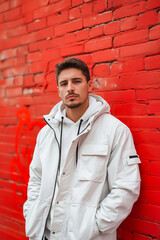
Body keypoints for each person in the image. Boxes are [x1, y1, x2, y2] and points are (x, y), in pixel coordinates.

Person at [23, 58, 141, 240]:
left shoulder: (114, 130)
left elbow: (126, 187)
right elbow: (36, 179)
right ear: (59, 90)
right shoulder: (46, 133)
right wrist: (31, 212)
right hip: (44, 235)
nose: (70, 88)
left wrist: (94, 227)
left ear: (89, 84)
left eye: (76, 81)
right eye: (64, 83)